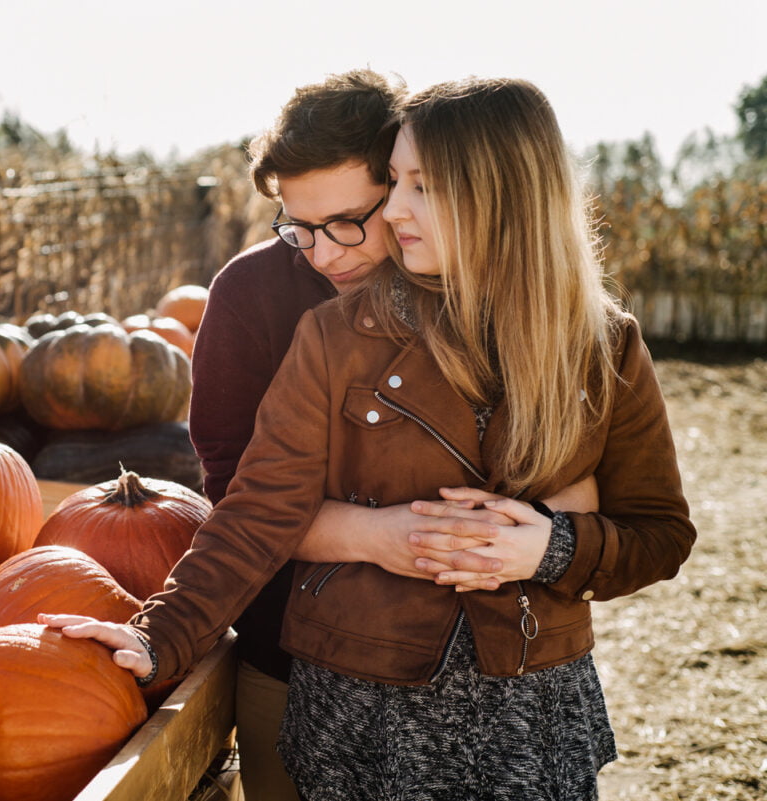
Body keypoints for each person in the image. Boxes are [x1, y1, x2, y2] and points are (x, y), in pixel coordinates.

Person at [44, 76, 696, 800]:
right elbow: (255, 504)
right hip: (363, 706)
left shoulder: (602, 344)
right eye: (396, 182)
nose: (396, 209)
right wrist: (160, 634)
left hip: (531, 709)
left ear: (502, 194)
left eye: (417, 186)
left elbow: (660, 532)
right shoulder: (335, 334)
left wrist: (553, 545)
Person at [184, 70, 596, 801]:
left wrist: (547, 521)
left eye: (349, 221)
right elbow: (235, 487)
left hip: (485, 672)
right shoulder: (250, 296)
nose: (322, 253)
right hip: (292, 657)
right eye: (298, 225)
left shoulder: (491, 299)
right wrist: (376, 535)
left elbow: (581, 487)